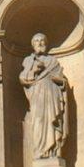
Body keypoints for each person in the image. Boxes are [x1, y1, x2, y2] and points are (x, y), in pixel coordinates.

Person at [19, 32, 67, 160]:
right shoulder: (28, 60)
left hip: (52, 95)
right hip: (37, 96)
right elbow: (23, 79)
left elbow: (62, 81)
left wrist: (57, 79)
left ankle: (53, 152)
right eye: (36, 41)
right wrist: (34, 71)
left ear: (46, 44)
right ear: (32, 45)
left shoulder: (53, 61)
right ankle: (40, 152)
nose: (39, 43)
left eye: (42, 41)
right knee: (38, 122)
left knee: (53, 122)